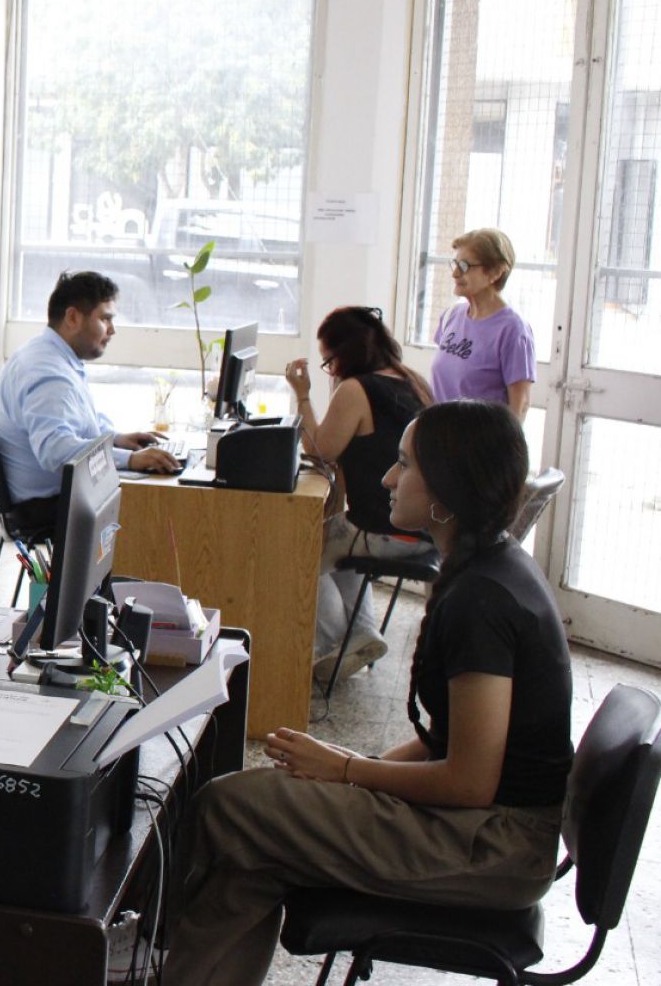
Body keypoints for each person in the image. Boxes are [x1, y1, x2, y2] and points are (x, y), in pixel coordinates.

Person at [161, 399, 572, 986]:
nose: (386, 477)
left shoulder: (483, 601)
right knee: (251, 851)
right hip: (492, 829)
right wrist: (347, 771)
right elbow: (444, 742)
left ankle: (139, 936)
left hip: (494, 846)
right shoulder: (490, 566)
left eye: (404, 464)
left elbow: (470, 778)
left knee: (228, 806)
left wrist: (351, 770)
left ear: (446, 488)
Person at [286, 305, 435, 680]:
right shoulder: (412, 380)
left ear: (345, 353)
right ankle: (364, 633)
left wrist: (302, 395)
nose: (330, 370)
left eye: (329, 361)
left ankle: (333, 645)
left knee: (298, 546)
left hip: (386, 530)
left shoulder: (357, 389)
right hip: (425, 529)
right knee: (337, 537)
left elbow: (320, 449)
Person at [0, 271, 177, 529]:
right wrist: (130, 460)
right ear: (73, 317)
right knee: (156, 510)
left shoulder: (51, 357)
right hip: (44, 506)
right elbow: (56, 451)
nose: (112, 330)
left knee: (151, 498)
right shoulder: (48, 373)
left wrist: (116, 439)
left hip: (50, 496)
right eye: (105, 318)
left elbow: (79, 421)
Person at [430, 228, 534, 419]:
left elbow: (520, 407)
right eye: (454, 264)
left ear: (495, 272)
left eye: (464, 265)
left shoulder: (513, 329)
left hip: (481, 445)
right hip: (440, 440)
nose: (455, 274)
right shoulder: (452, 315)